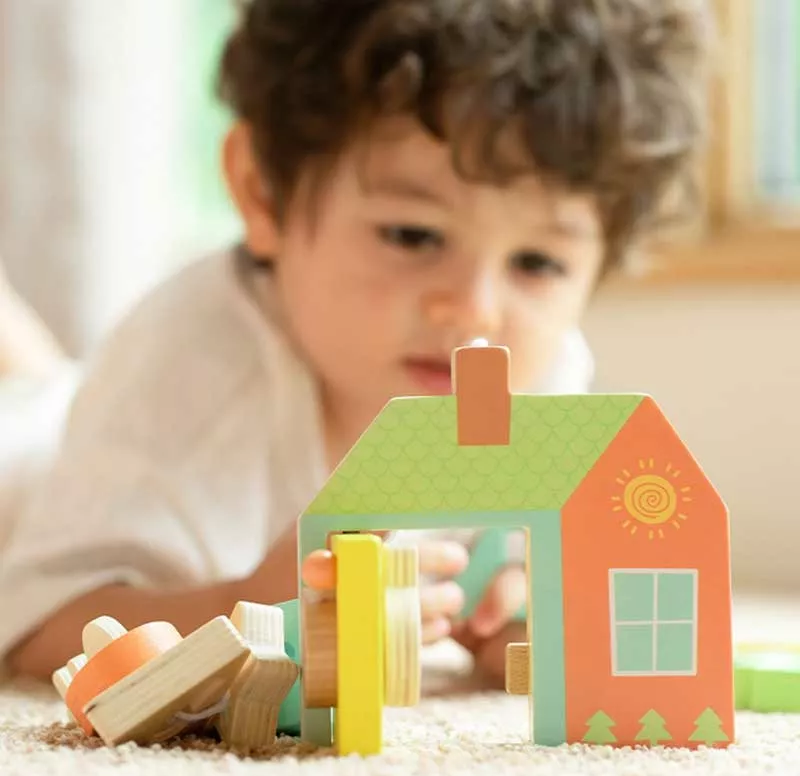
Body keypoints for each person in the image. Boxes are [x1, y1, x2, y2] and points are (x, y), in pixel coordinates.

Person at [0, 0, 710, 687]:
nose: (475, 312)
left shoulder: (540, 365)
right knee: (28, 411)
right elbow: (40, 627)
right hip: (33, 463)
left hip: (74, 409)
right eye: (413, 236)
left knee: (50, 385)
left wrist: (522, 608)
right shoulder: (187, 377)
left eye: (538, 263)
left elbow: (527, 557)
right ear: (262, 192)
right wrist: (245, 610)